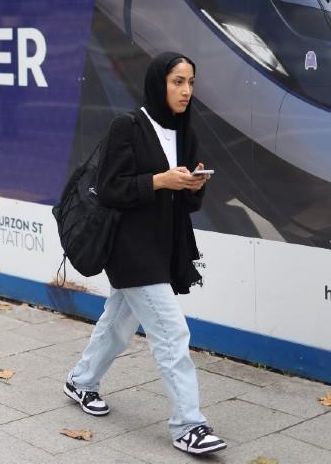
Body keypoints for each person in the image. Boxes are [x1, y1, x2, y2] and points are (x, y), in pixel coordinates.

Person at [63, 52, 226, 456]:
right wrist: (159, 180)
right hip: (130, 248)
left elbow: (186, 206)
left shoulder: (185, 133)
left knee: (118, 323)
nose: (186, 90)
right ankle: (189, 425)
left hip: (163, 246)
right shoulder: (128, 127)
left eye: (190, 82)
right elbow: (112, 188)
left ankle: (80, 381)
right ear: (159, 83)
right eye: (177, 82)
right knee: (172, 333)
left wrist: (192, 187)